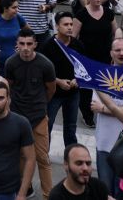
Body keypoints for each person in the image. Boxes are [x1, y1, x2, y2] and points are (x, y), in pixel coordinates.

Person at [4, 27, 57, 199]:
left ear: (35, 44)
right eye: (22, 44)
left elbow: (51, 90)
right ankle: (23, 191)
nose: (25, 47)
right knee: (20, 157)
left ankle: (48, 195)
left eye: (29, 44)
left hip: (39, 117)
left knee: (43, 159)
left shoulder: (46, 64)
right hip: (17, 117)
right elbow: (9, 87)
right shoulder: (10, 63)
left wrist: (41, 106)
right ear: (17, 45)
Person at [40, 11, 82, 149]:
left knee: (70, 127)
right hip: (54, 93)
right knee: (48, 125)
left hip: (73, 92)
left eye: (71, 24)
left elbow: (84, 68)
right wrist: (58, 81)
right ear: (57, 26)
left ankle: (71, 156)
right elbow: (42, 71)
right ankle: (44, 155)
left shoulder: (78, 45)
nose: (70, 27)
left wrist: (78, 79)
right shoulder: (47, 45)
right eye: (66, 24)